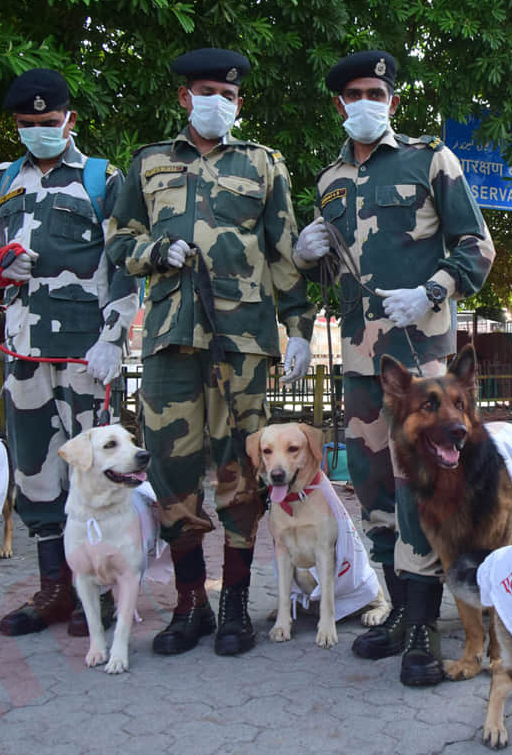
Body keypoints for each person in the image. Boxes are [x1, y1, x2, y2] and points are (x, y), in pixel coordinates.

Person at [292, 50, 495, 686]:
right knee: (376, 486)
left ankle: (425, 630)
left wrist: (434, 290)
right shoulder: (329, 181)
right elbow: (333, 273)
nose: (365, 102)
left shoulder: (431, 158)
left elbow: (477, 246)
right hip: (362, 362)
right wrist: (307, 253)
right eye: (354, 93)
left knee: (426, 493)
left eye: (376, 92)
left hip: (425, 366)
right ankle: (397, 610)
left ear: (393, 101)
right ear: (338, 104)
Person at [106, 48, 314, 657]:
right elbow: (119, 239)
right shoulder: (147, 162)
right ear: (183, 97)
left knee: (244, 472)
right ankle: (190, 604)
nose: (214, 101)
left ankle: (235, 607)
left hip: (243, 342)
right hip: (171, 340)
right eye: (203, 90)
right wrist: (152, 253)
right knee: (171, 476)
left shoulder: (263, 163)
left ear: (238, 102)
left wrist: (298, 326)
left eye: (226, 92)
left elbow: (283, 250)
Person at [0, 69, 138, 634]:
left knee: (101, 472)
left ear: (70, 120)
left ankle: (107, 591)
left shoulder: (100, 179)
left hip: (87, 353)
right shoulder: (2, 183)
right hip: (25, 350)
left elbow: (124, 265)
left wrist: (114, 339)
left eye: (48, 121)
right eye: (27, 124)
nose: (38, 130)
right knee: (36, 469)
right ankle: (55, 589)